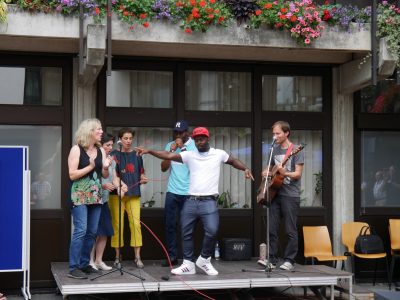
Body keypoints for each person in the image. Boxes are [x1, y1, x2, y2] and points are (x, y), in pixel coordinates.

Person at [135, 127, 254, 276]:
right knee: (186, 232)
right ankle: (188, 264)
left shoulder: (218, 154)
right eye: (196, 139)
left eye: (202, 139)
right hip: (191, 200)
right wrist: (149, 151)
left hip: (209, 201)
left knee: (212, 230)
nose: (199, 142)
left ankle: (204, 259)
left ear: (208, 138)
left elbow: (233, 161)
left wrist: (245, 168)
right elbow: (168, 155)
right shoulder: (189, 155)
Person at [67, 118, 112, 279]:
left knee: (92, 232)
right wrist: (90, 166)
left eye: (101, 129)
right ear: (89, 132)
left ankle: (84, 264)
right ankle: (73, 267)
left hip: (96, 196)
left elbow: (104, 175)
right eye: (98, 129)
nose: (101, 132)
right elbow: (72, 175)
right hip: (79, 196)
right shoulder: (76, 150)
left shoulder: (101, 150)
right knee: (81, 230)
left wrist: (106, 167)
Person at [258, 121, 304, 271]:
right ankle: (271, 259)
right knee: (272, 228)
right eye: (273, 133)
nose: (274, 136)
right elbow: (269, 167)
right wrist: (265, 172)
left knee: (290, 229)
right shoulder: (274, 149)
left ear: (286, 133)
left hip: (290, 194)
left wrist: (286, 173)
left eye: (278, 133)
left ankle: (290, 260)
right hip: (274, 192)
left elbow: (297, 174)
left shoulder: (296, 150)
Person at [109, 128, 148, 269]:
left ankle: (137, 257)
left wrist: (143, 179)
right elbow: (112, 175)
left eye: (130, 138)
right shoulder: (113, 154)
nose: (128, 141)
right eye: (125, 138)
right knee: (117, 225)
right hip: (116, 195)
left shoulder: (137, 155)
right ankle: (117, 256)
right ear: (120, 139)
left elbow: (141, 173)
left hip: (134, 194)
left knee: (136, 225)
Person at [161, 120, 196, 267]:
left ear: (187, 132)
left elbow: (194, 166)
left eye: (181, 132)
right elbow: (163, 168)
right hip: (173, 191)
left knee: (188, 226)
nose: (178, 135)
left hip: (189, 192)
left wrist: (182, 149)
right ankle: (172, 256)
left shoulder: (195, 146)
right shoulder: (170, 145)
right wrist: (170, 152)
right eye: (176, 132)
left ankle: (188, 258)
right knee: (170, 225)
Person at [89, 133, 119, 271]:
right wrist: (103, 186)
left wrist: (120, 185)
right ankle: (89, 261)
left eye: (111, 145)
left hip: (104, 200)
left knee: (105, 232)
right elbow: (88, 183)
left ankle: (99, 260)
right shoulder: (93, 159)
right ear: (100, 145)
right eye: (107, 145)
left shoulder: (110, 160)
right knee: (93, 232)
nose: (110, 148)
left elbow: (114, 178)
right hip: (93, 201)